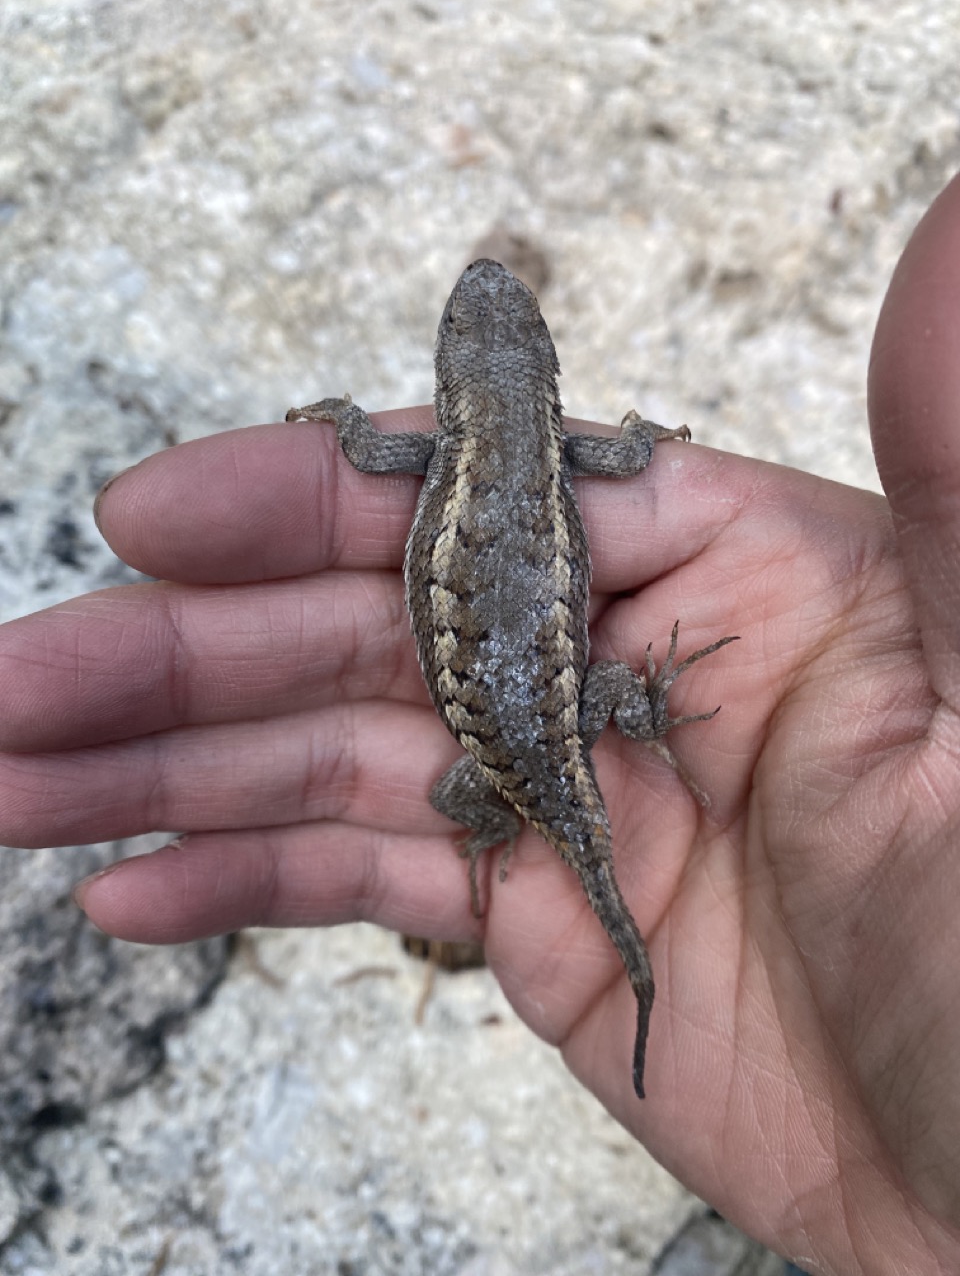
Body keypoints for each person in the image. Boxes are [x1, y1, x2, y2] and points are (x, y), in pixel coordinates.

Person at [3, 172, 960, 1276]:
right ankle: (632, 741)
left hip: (522, 740)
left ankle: (521, 839)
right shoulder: (566, 447)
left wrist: (344, 418)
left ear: (464, 382)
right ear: (542, 379)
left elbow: (364, 452)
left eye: (485, 329)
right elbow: (634, 453)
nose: (483, 314)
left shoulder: (439, 449)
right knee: (553, 738)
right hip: (560, 717)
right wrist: (649, 431)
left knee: (477, 786)